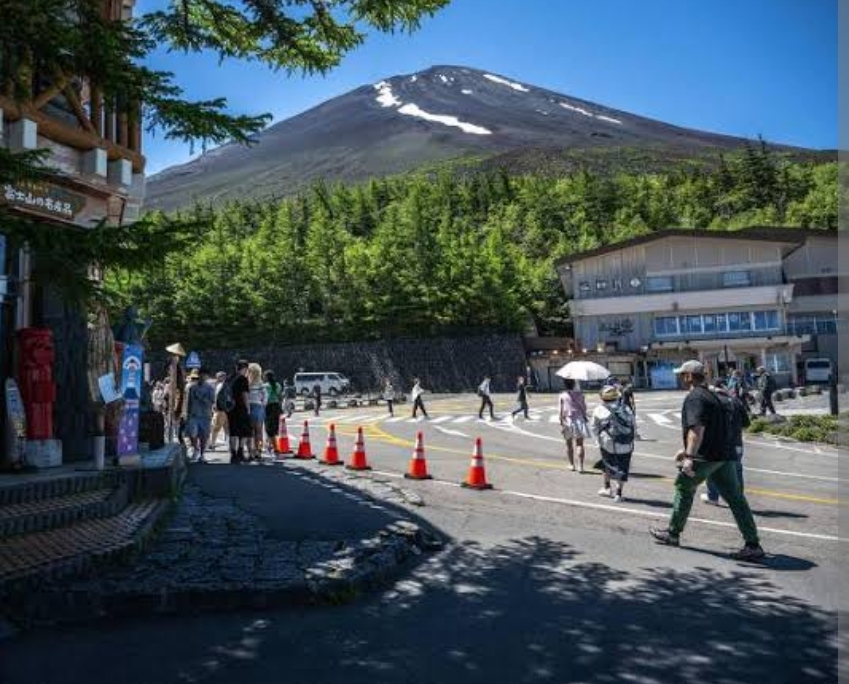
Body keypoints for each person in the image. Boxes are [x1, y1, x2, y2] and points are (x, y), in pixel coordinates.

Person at [650, 360, 765, 561]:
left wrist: (689, 456)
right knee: (736, 499)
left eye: (681, 374)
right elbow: (731, 425)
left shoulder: (695, 397)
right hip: (725, 456)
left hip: (705, 457)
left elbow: (697, 430)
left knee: (684, 488)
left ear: (688, 377)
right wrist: (686, 448)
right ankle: (753, 543)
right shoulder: (718, 396)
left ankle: (673, 533)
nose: (680, 378)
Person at [702, 378, 750, 506]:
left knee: (712, 470)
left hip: (716, 443)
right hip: (736, 443)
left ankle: (713, 496)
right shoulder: (736, 401)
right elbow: (746, 424)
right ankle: (737, 498)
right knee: (737, 470)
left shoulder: (710, 401)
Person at [591, 384, 636, 502]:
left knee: (606, 464)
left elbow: (594, 428)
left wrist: (597, 441)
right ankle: (619, 494)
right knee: (623, 468)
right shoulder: (626, 408)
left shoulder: (599, 409)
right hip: (626, 444)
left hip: (608, 444)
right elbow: (634, 425)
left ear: (602, 398)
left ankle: (607, 488)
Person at [184, 368, 215, 462]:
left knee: (204, 436)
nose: (202, 377)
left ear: (207, 376)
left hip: (205, 415)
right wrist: (187, 414)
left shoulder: (210, 388)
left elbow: (211, 401)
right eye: (201, 375)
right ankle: (196, 449)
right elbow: (189, 402)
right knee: (192, 434)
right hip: (194, 414)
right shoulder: (192, 387)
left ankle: (202, 454)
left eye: (204, 375)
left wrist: (201, 398)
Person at [559, 378, 588, 473]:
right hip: (579, 420)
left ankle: (572, 465)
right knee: (580, 444)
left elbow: (561, 411)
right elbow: (584, 408)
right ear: (574, 384)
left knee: (569, 445)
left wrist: (561, 423)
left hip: (567, 420)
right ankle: (581, 466)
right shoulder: (580, 394)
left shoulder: (562, 395)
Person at [226, 360, 252, 464]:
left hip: (230, 408)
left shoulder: (229, 378)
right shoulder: (243, 379)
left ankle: (233, 454)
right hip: (240, 407)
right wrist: (248, 407)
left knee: (233, 431)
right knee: (244, 431)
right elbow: (244, 395)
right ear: (244, 368)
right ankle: (240, 452)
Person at [164, 343, 186, 443]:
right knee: (174, 415)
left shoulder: (176, 366)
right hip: (175, 394)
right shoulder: (174, 366)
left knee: (176, 417)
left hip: (176, 395)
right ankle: (173, 436)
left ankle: (175, 436)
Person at [247, 363, 267, 459]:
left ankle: (252, 451)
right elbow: (265, 396)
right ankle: (258, 451)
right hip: (258, 407)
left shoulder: (248, 383)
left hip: (250, 407)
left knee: (251, 431)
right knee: (258, 431)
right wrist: (263, 403)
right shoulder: (260, 383)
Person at [263, 370, 283, 454]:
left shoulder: (266, 386)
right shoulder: (278, 385)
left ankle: (270, 445)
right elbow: (280, 397)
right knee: (274, 426)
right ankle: (271, 445)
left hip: (268, 407)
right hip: (276, 406)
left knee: (268, 426)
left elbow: (265, 398)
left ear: (266, 377)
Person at [209, 371, 229, 450]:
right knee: (226, 427)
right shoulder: (224, 385)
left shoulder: (220, 385)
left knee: (216, 427)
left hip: (220, 410)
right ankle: (228, 444)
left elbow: (216, 398)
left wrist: (214, 406)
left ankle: (212, 443)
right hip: (227, 409)